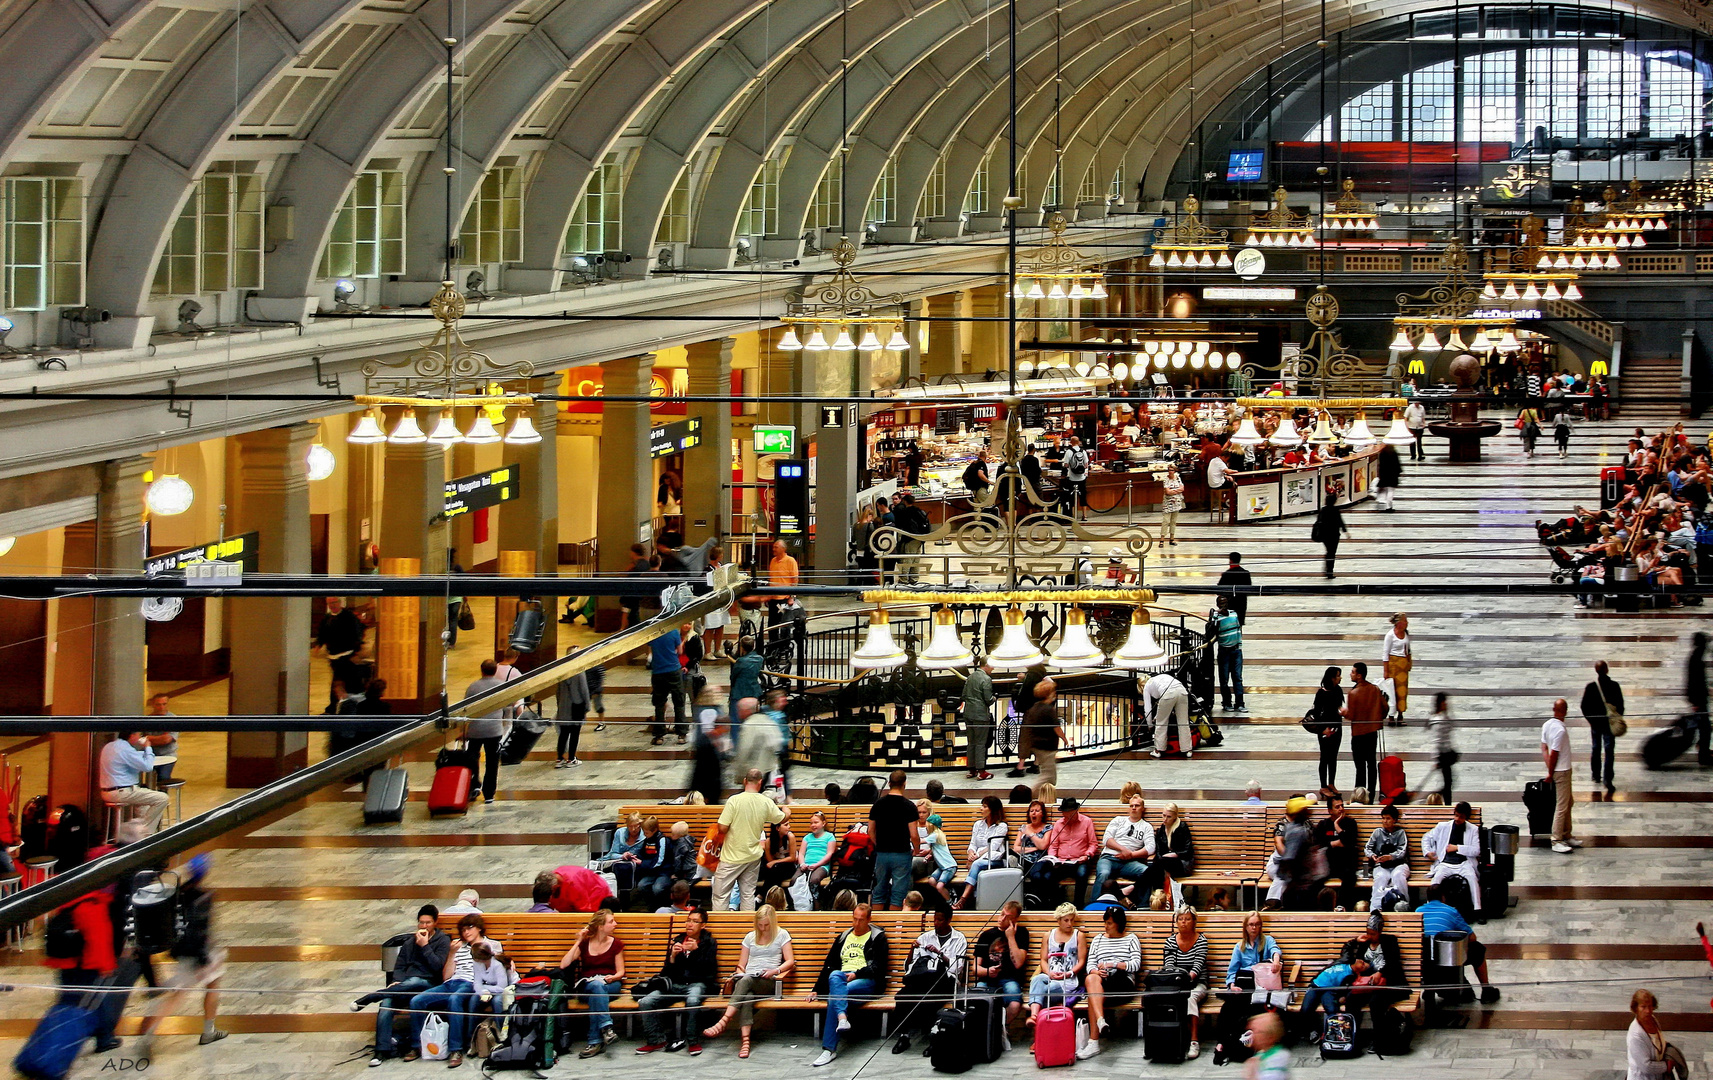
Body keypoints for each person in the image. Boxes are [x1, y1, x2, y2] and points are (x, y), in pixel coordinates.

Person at [406, 913, 503, 1065]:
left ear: (479, 928)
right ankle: (416, 1046)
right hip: (451, 983)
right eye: (463, 930)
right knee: (417, 1001)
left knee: (455, 999)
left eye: (470, 928)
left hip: (471, 983)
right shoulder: (458, 946)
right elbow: (446, 976)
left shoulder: (492, 945)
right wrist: (451, 954)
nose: (466, 933)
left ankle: (456, 1049)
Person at [358, 904, 449, 1064]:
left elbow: (437, 967)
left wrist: (425, 946)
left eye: (427, 923)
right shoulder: (410, 942)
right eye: (421, 923)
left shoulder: (442, 940)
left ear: (435, 923)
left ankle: (373, 996)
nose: (424, 926)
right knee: (387, 1003)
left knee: (416, 981)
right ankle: (381, 1050)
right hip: (406, 986)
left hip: (429, 984)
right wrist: (396, 981)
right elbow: (400, 965)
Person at [703, 905, 794, 1059]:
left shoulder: (782, 934)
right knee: (747, 996)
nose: (763, 928)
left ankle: (724, 1021)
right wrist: (740, 974)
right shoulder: (750, 937)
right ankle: (745, 1041)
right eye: (760, 925)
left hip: (768, 981)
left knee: (746, 981)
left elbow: (790, 961)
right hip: (748, 979)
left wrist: (775, 971)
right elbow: (741, 965)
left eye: (766, 925)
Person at [807, 903, 891, 1067]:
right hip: (842, 979)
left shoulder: (877, 938)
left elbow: (878, 967)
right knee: (834, 976)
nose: (857, 923)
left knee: (835, 996)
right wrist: (816, 989)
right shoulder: (843, 937)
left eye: (861, 920)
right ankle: (842, 1018)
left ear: (868, 919)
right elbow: (829, 965)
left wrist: (857, 974)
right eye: (854, 919)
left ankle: (829, 1049)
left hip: (865, 981)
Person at [45, 885, 121, 1053]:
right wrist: (106, 966)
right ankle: (104, 1038)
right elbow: (98, 940)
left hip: (67, 964)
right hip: (87, 966)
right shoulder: (92, 905)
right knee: (98, 1002)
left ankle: (57, 1041)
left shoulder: (68, 903)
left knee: (67, 1003)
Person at [634, 906, 718, 1055]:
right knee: (646, 1001)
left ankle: (692, 1041)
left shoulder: (709, 943)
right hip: (675, 984)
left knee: (693, 1000)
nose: (690, 924)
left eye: (695, 921)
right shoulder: (678, 940)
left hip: (697, 983)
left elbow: (710, 972)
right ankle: (656, 1040)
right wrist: (672, 957)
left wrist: (696, 952)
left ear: (703, 925)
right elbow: (665, 973)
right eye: (688, 921)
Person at [708, 769, 789, 911]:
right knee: (747, 895)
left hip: (731, 856)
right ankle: (747, 930)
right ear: (760, 782)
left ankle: (721, 930)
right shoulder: (765, 802)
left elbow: (722, 828)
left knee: (721, 895)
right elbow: (781, 818)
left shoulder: (734, 800)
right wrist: (788, 812)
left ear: (745, 781)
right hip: (753, 856)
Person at [892, 906, 967, 1053]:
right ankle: (904, 1036)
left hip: (946, 981)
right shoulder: (925, 937)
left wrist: (940, 954)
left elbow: (957, 969)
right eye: (935, 920)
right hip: (922, 980)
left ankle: (935, 1038)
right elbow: (909, 968)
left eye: (940, 920)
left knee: (929, 998)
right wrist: (911, 950)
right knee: (902, 997)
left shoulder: (959, 939)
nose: (936, 923)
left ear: (949, 920)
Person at [1075, 905, 1142, 1059]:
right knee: (1091, 979)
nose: (1106, 926)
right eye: (1105, 922)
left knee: (1093, 995)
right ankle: (1100, 1021)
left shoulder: (1131, 939)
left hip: (1122, 981)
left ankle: (1094, 1042)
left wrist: (1114, 964)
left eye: (1109, 923)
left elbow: (1135, 964)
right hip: (1102, 982)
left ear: (1119, 923)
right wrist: (1096, 971)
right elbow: (1090, 964)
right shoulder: (1098, 939)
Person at [1418, 881, 1501, 1003]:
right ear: (1443, 897)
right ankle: (1486, 989)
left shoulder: (1418, 910)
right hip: (1445, 959)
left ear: (1428, 898)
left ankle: (1429, 990)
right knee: (1478, 949)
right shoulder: (1451, 911)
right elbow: (1472, 937)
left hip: (1424, 960)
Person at [564, 910, 625, 1058]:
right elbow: (564, 964)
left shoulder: (616, 944)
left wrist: (612, 977)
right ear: (600, 926)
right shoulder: (585, 944)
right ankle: (606, 1029)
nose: (615, 924)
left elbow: (621, 972)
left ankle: (595, 1042)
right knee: (595, 990)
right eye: (611, 922)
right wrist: (578, 941)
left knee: (598, 989)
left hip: (610, 984)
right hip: (588, 985)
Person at [1158, 905, 1212, 1059]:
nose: (1183, 922)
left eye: (1187, 919)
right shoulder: (1170, 941)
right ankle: (1171, 1038)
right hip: (1176, 984)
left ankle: (1194, 1041)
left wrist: (1186, 978)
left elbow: (1197, 967)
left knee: (1190, 998)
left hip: (1197, 984)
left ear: (1194, 921)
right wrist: (1177, 981)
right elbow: (1169, 967)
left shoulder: (1201, 941)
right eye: (1180, 919)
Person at [1338, 912, 1409, 1026]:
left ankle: (1379, 1041)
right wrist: (1355, 941)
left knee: (1376, 1003)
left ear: (1380, 932)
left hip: (1387, 984)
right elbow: (1353, 960)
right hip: (1367, 983)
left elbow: (1394, 962)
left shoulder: (1390, 941)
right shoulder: (1364, 943)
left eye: (1373, 934)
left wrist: (1380, 973)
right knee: (1352, 999)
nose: (1370, 936)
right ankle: (1353, 1036)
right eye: (1368, 933)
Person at [865, 770, 919, 910]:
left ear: (889, 783)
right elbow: (914, 834)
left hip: (882, 853)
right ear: (904, 784)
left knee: (879, 890)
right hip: (902, 854)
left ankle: (876, 924)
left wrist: (879, 844)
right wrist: (917, 849)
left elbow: (870, 830)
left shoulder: (878, 804)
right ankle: (893, 925)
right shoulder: (909, 806)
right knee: (898, 892)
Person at [971, 899, 1032, 1024]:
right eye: (1002, 913)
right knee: (977, 1000)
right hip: (987, 979)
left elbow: (1019, 963)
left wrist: (1010, 937)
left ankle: (998, 1031)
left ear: (1015, 920)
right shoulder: (986, 935)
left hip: (1010, 979)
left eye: (1007, 917)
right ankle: (988, 1032)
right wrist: (987, 971)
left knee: (1015, 1005)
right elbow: (975, 969)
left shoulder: (1021, 933)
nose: (1002, 918)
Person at [1030, 797, 1099, 905]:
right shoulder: (1059, 824)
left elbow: (1093, 844)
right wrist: (1053, 859)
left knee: (1082, 874)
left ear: (1076, 811)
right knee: (1048, 876)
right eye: (1065, 815)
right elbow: (1053, 845)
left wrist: (1087, 855)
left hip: (1079, 860)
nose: (1067, 819)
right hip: (1061, 861)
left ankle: (1078, 905)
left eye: (1070, 815)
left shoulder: (1086, 822)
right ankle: (1055, 904)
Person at [1026, 903, 1088, 1023]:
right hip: (1051, 974)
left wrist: (1069, 973)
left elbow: (1081, 961)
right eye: (1066, 920)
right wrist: (1049, 973)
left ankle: (1036, 1019)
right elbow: (1043, 960)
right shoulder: (1048, 935)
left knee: (1047, 989)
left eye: (1072, 920)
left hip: (1067, 981)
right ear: (1058, 920)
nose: (1069, 924)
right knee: (1037, 980)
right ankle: (1034, 1016)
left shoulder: (1078, 936)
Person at [461, 660, 511, 804]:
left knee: (472, 758)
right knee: (492, 762)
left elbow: (466, 709)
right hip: (494, 730)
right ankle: (489, 793)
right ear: (495, 670)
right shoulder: (501, 686)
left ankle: (473, 786)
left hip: (475, 730)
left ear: (481, 670)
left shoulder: (473, 687)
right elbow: (507, 706)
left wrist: (463, 730)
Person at [1091, 793, 1155, 903]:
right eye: (1131, 806)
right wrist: (1123, 850)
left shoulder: (1146, 826)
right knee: (1104, 874)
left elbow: (1151, 847)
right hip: (1109, 858)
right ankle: (1095, 906)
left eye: (1137, 805)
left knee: (1146, 872)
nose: (1134, 808)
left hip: (1129, 862)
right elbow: (1107, 839)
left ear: (1142, 808)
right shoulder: (1118, 820)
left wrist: (1131, 855)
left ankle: (1142, 907)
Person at [1423, 801, 1485, 913]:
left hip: (1464, 863)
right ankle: (1430, 907)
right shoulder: (1443, 826)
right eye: (1456, 815)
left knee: (1472, 878)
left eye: (1461, 817)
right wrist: (1428, 852)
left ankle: (1478, 909)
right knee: (1436, 879)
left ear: (1466, 817)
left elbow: (1476, 850)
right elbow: (1426, 837)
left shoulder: (1473, 829)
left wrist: (1457, 848)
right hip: (1445, 863)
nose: (1457, 819)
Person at [99, 731, 168, 833]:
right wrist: (148, 747)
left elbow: (133, 757)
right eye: (139, 734)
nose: (140, 737)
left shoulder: (110, 746)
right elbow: (148, 767)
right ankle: (143, 834)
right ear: (132, 735)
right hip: (122, 792)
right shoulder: (125, 749)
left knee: (144, 805)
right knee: (162, 798)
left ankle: (138, 831)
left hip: (108, 791)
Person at [1542, 697, 1581, 854]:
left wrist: (1549, 769)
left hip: (1559, 770)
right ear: (1564, 711)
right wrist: (1551, 773)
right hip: (1562, 771)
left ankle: (1566, 834)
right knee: (1562, 806)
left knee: (1568, 802)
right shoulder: (1560, 730)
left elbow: (1544, 748)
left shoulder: (1547, 725)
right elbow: (1554, 753)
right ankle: (1557, 839)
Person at [1581, 659, 1625, 796]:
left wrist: (1591, 721)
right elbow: (1621, 705)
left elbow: (1584, 706)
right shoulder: (1614, 686)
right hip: (1608, 724)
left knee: (1596, 748)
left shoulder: (1591, 687)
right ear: (1606, 670)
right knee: (1609, 750)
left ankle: (1596, 774)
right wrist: (1615, 718)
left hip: (1596, 724)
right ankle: (1607, 779)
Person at [1341, 662, 1385, 797]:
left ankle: (1360, 794)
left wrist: (1343, 712)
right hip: (1372, 732)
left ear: (1359, 676)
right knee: (1371, 763)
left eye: (1353, 672)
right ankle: (1371, 793)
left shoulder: (1353, 693)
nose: (1350, 674)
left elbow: (1351, 715)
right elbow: (1385, 708)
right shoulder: (1375, 689)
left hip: (1359, 734)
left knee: (1360, 767)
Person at [315, 596, 366, 705]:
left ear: (339, 603)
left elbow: (357, 634)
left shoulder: (349, 617)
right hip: (333, 656)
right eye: (329, 604)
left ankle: (339, 707)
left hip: (347, 655)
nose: (332, 605)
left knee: (345, 682)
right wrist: (319, 645)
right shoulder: (327, 618)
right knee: (338, 683)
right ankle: (335, 707)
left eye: (334, 602)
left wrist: (357, 651)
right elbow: (322, 634)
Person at [1313, 794, 1359, 909]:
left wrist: (1337, 827)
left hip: (1346, 863)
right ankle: (1317, 910)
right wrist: (1334, 843)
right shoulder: (1323, 825)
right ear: (1330, 810)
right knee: (1314, 879)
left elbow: (1350, 843)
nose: (1341, 809)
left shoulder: (1351, 823)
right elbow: (1318, 845)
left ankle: (1342, 906)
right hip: (1328, 863)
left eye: (1342, 806)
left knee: (1350, 878)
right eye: (1337, 807)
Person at [1627, 988, 1683, 1080]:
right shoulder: (1635, 1035)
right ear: (1635, 1008)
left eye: (1650, 1006)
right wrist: (1666, 1066)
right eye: (1643, 1007)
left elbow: (1658, 1041)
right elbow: (1646, 1066)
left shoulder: (1653, 1019)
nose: (1648, 1011)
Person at [1366, 804, 1411, 910]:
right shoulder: (1377, 832)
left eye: (1388, 818)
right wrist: (1372, 856)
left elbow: (1402, 852)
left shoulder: (1400, 833)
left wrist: (1391, 857)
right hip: (1381, 865)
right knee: (1380, 877)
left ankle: (1402, 906)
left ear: (1394, 820)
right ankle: (1376, 909)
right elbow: (1367, 848)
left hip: (1399, 864)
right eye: (1383, 818)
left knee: (1398, 876)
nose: (1385, 821)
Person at [1022, 678, 1067, 785]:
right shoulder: (1048, 709)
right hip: (1047, 746)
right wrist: (1064, 738)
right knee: (1049, 777)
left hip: (1037, 745)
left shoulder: (1034, 708)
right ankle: (1030, 794)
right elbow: (1056, 728)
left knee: (1046, 773)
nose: (1055, 693)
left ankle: (1045, 796)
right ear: (1048, 694)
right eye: (1053, 691)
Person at [650, 625, 688, 744]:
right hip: (673, 670)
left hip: (658, 671)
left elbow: (650, 651)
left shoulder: (652, 632)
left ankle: (659, 735)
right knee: (679, 702)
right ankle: (681, 734)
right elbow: (680, 651)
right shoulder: (674, 632)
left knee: (659, 703)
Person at [1309, 666, 1344, 795]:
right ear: (1332, 678)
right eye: (1338, 675)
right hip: (1325, 729)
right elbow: (1316, 714)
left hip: (1337, 728)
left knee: (1333, 757)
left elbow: (1339, 707)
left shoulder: (1338, 690)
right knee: (1325, 757)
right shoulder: (1321, 693)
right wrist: (1323, 730)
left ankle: (1331, 783)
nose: (1340, 678)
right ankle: (1323, 785)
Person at [961, 658, 997, 780]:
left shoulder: (970, 677)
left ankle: (971, 769)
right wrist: (994, 699)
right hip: (980, 715)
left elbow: (964, 695)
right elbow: (988, 699)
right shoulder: (986, 679)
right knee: (981, 743)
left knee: (971, 742)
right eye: (992, 665)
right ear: (986, 665)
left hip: (968, 713)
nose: (993, 668)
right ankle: (981, 771)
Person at [1142, 671, 1191, 758]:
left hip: (1168, 693)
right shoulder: (1161, 677)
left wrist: (1150, 725)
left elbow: (1147, 709)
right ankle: (1187, 749)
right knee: (1183, 722)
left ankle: (1158, 750)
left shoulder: (1146, 687)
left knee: (1161, 723)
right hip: (1182, 691)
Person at [554, 659, 590, 768]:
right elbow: (584, 690)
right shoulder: (579, 672)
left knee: (563, 734)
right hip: (576, 707)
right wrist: (587, 706)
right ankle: (571, 758)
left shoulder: (562, 673)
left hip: (564, 707)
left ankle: (559, 758)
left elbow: (558, 692)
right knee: (575, 734)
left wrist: (559, 705)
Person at [1213, 596, 1245, 712]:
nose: (1224, 605)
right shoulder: (1216, 616)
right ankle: (1227, 702)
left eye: (1225, 602)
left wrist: (1239, 645)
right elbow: (1211, 630)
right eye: (1221, 603)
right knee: (1224, 678)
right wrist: (1215, 615)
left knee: (1237, 677)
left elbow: (1238, 629)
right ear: (1217, 605)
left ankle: (1240, 703)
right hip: (1224, 651)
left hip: (1236, 651)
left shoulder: (1234, 614)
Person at [918, 812, 957, 902]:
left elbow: (920, 841)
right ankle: (946, 891)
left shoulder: (935, 835)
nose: (926, 827)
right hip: (943, 867)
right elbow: (936, 849)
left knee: (939, 886)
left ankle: (950, 902)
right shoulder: (939, 835)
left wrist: (909, 837)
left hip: (949, 866)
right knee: (931, 881)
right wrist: (929, 854)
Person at [1381, 612, 1413, 725]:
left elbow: (1408, 649)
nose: (1407, 623)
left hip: (1403, 667)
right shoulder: (1390, 635)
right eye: (1405, 621)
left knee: (1402, 691)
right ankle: (1391, 715)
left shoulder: (1405, 634)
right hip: (1393, 666)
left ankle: (1400, 713)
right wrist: (1386, 670)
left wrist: (1409, 662)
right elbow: (1385, 653)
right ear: (1399, 623)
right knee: (1392, 691)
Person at [143, 694, 179, 786]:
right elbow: (145, 740)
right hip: (152, 755)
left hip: (168, 755)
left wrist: (151, 739)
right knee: (149, 781)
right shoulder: (147, 720)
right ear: (153, 705)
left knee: (163, 778)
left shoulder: (173, 719)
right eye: (158, 704)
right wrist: (158, 738)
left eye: (164, 704)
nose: (161, 707)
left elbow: (166, 740)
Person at [799, 811, 837, 894]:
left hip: (821, 866)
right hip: (806, 865)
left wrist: (817, 864)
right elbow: (801, 853)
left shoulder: (829, 837)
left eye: (816, 822)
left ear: (823, 823)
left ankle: (816, 905)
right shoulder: (807, 837)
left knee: (814, 880)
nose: (813, 825)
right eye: (811, 823)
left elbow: (829, 854)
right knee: (795, 880)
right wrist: (802, 864)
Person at [1689, 632, 1712, 767]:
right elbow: (1694, 682)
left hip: (1699, 700)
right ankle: (1703, 755)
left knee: (1704, 728)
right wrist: (1695, 702)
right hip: (1699, 701)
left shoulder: (1696, 657)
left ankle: (1703, 751)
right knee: (1705, 729)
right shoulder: (1696, 659)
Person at [1429, 692, 1458, 802]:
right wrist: (1436, 758)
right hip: (1442, 755)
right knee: (1448, 782)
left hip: (1446, 752)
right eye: (1444, 702)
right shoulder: (1437, 719)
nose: (1446, 704)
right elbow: (1436, 740)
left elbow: (1451, 727)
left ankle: (1443, 799)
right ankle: (1443, 801)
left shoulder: (1444, 716)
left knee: (1449, 782)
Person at [759, 820, 798, 898]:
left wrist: (776, 862)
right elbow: (770, 862)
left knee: (776, 871)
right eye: (786, 825)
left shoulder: (790, 837)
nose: (789, 827)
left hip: (788, 866)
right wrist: (774, 863)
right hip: (775, 869)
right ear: (777, 828)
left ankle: (761, 896)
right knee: (773, 872)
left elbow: (792, 858)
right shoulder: (769, 841)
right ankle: (769, 898)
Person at [1244, 1011, 1289, 1080]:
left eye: (1258, 1032)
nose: (1253, 1036)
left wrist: (1252, 1073)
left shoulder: (1278, 1058)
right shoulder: (1261, 1054)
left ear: (1269, 1037)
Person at [1312, 497, 1349, 578]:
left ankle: (1328, 569)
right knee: (1332, 552)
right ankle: (1329, 571)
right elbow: (1340, 521)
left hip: (1325, 534)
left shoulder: (1323, 510)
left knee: (1329, 551)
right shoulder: (1335, 510)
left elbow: (1318, 521)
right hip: (1334, 534)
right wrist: (1345, 531)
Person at [1013, 799, 1053, 872]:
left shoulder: (1048, 828)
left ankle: (1019, 867)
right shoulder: (1024, 827)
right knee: (1009, 852)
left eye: (1037, 811)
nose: (1034, 813)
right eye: (1031, 811)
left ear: (1042, 814)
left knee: (1038, 874)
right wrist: (1035, 848)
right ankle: (1018, 865)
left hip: (1040, 860)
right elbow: (1016, 848)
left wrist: (1030, 834)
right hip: (1024, 858)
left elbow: (1043, 846)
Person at [1061, 435, 1091, 519]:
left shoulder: (1069, 452)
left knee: (1072, 497)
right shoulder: (1083, 451)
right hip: (1082, 478)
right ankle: (1084, 515)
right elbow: (1086, 464)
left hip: (1072, 477)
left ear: (1070, 442)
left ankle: (1073, 515)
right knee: (1083, 496)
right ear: (1078, 442)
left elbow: (1066, 464)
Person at [1217, 551, 1251, 625]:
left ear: (1230, 561)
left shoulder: (1226, 574)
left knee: (1229, 625)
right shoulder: (1245, 573)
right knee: (1239, 624)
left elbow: (1218, 589)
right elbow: (1249, 589)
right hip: (1241, 604)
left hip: (1229, 604)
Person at [1160, 464, 1185, 545]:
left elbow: (1182, 488)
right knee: (1166, 521)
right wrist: (1177, 491)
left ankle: (1172, 538)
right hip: (1168, 503)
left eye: (1172, 470)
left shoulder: (1178, 478)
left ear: (1174, 471)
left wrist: (1173, 491)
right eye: (1169, 470)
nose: (1170, 472)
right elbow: (1167, 491)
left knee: (1173, 521)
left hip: (1177, 502)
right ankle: (1162, 539)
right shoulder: (1166, 479)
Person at [1375, 441, 1402, 512]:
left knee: (1384, 490)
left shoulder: (1382, 453)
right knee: (1390, 491)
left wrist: (1379, 474)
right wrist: (1399, 472)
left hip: (1384, 474)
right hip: (1393, 475)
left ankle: (1382, 504)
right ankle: (1389, 506)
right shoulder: (1394, 452)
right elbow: (1397, 464)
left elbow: (1380, 465)